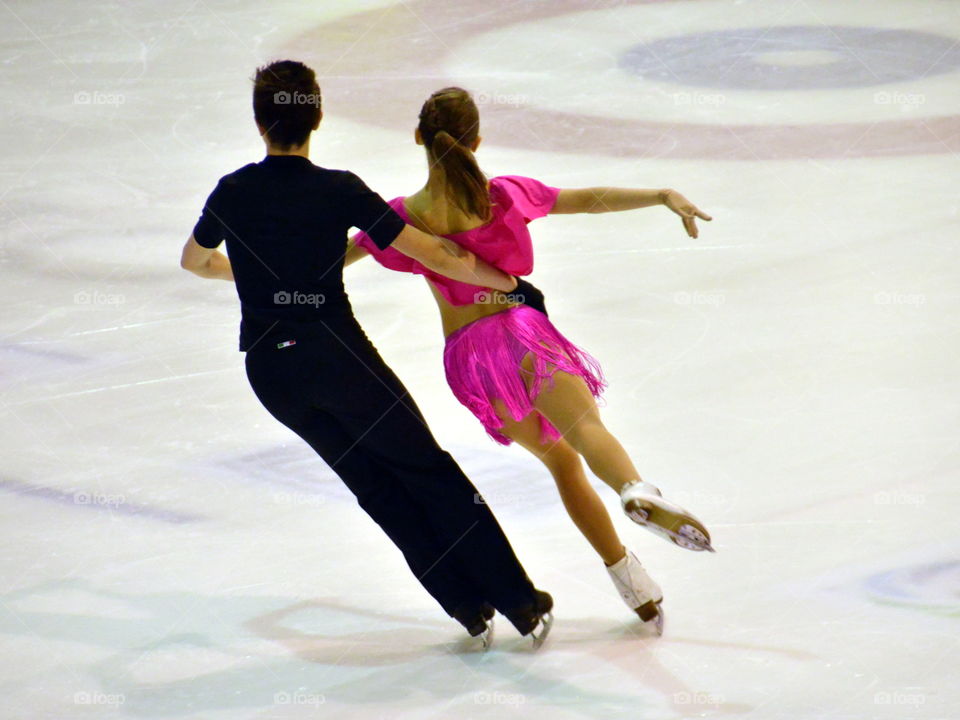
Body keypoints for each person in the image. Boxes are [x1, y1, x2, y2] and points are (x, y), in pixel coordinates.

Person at [179, 63, 553, 647]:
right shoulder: (339, 190)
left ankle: (467, 608)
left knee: (375, 487)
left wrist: (258, 279)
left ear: (259, 123)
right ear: (317, 118)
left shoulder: (232, 191)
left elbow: (195, 261)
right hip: (337, 360)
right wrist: (510, 288)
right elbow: (439, 255)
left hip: (270, 371)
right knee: (427, 471)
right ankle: (521, 604)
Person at [346, 87, 715, 630]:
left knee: (561, 461)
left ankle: (631, 582)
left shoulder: (403, 216)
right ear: (476, 140)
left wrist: (256, 271)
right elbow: (587, 199)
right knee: (586, 431)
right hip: (520, 335)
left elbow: (336, 259)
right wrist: (661, 194)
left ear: (418, 137)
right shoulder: (505, 196)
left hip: (469, 362)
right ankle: (635, 490)